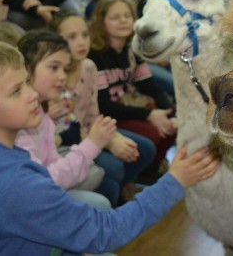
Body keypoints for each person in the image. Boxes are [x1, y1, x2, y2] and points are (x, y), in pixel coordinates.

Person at [0, 39, 220, 255]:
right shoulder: (10, 181)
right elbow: (105, 231)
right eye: (16, 91)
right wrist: (175, 181)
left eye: (27, 83)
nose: (32, 95)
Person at [50, 11, 156, 206]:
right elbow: (64, 128)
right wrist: (109, 143)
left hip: (90, 131)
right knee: (114, 168)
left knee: (144, 149)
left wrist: (113, 137)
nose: (82, 42)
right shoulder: (53, 75)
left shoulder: (89, 66)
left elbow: (93, 114)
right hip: (67, 141)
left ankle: (117, 194)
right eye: (72, 37)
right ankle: (107, 200)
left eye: (85, 35)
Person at [15, 29, 113, 208]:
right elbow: (43, 183)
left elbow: (52, 162)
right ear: (27, 69)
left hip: (41, 188)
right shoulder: (16, 120)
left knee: (101, 177)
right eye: (54, 67)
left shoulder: (41, 113)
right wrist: (93, 144)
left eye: (65, 69)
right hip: (27, 200)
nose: (62, 76)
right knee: (101, 204)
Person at [88, 0, 177, 175]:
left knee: (172, 126)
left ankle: (149, 172)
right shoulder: (94, 56)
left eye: (127, 16)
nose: (123, 21)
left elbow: (149, 86)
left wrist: (171, 113)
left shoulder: (132, 49)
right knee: (152, 132)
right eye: (115, 17)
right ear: (101, 22)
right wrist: (150, 114)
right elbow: (104, 106)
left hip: (128, 105)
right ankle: (134, 176)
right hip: (110, 114)